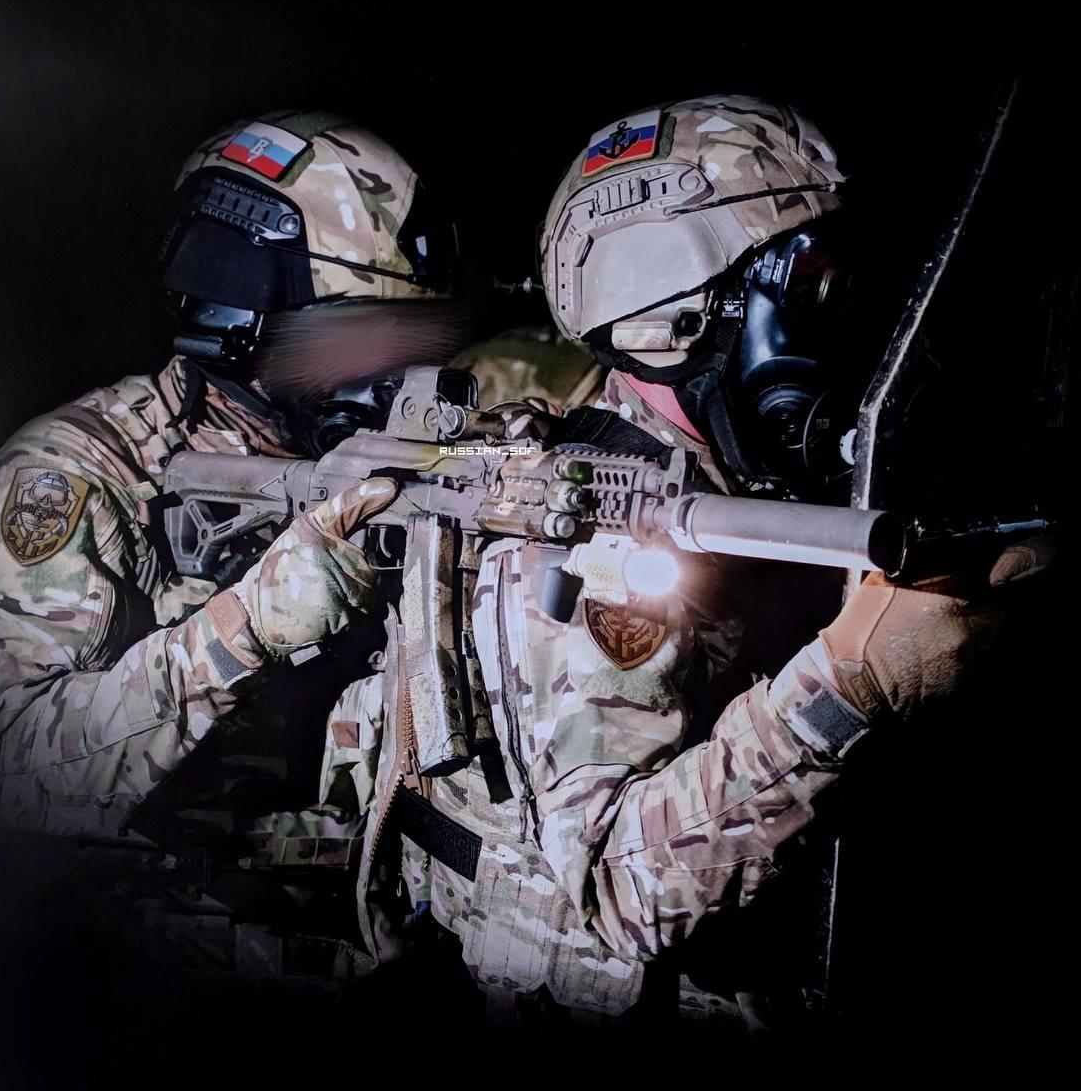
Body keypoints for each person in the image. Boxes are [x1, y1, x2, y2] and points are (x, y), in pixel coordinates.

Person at [343, 94, 1031, 1024]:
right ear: (672, 318)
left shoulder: (728, 479)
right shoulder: (575, 535)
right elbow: (616, 893)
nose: (840, 331)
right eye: (809, 293)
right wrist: (849, 685)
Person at [0, 109, 592, 984]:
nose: (393, 367)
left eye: (410, 334)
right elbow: (1, 774)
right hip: (150, 947)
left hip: (369, 911)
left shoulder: (386, 447)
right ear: (237, 319)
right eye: (357, 335)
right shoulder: (78, 473)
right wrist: (248, 624)